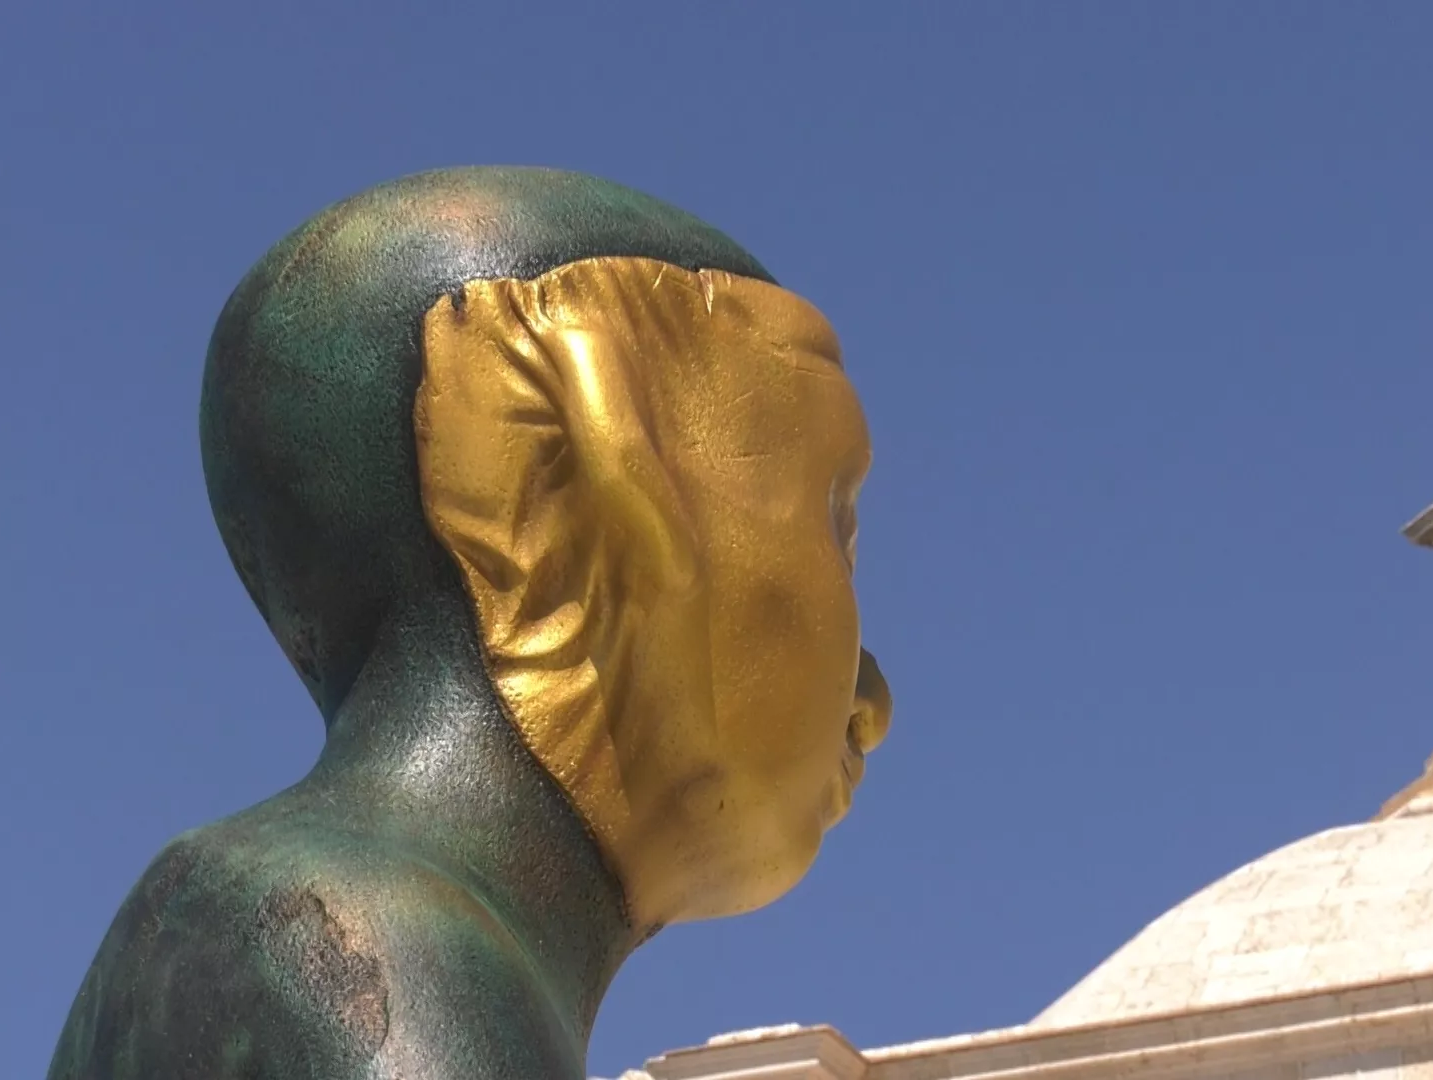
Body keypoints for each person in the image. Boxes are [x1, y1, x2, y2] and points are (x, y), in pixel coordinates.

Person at [48, 167, 894, 1080]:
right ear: (551, 483)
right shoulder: (341, 938)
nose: (873, 697)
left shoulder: (278, 917)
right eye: (835, 520)